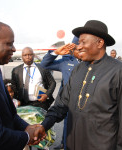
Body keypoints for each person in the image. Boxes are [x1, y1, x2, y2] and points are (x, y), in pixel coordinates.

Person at [35, 20, 122, 150]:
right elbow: (61, 104)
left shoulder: (117, 71)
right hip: (73, 144)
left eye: (83, 42)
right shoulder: (78, 69)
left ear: (100, 43)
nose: (78, 46)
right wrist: (44, 125)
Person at [0, 21, 46, 150]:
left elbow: (9, 113)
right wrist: (27, 137)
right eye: (9, 44)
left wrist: (26, 127)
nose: (13, 49)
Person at [40, 36, 79, 150]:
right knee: (68, 127)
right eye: (75, 46)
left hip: (86, 103)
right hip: (69, 102)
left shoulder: (90, 61)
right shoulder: (66, 61)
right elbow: (44, 65)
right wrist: (55, 53)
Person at [12, 47, 56, 111]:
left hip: (40, 103)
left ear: (33, 55)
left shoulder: (42, 68)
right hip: (23, 103)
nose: (28, 57)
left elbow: (52, 83)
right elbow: (13, 87)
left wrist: (47, 95)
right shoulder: (16, 70)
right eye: (25, 55)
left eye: (30, 54)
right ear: (22, 56)